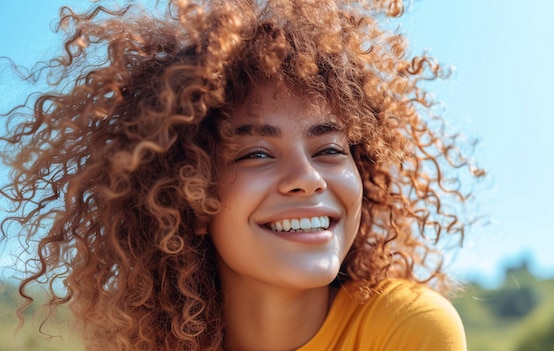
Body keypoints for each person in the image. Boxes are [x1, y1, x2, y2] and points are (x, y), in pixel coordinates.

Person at [0, 0, 483, 350]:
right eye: (255, 153)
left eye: (330, 149)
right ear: (183, 198)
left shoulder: (407, 329)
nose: (308, 178)